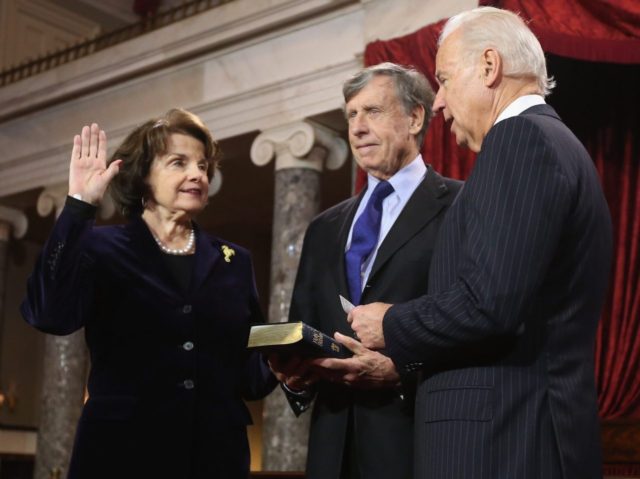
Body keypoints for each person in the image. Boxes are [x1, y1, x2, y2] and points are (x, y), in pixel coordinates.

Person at [344, 7, 613, 479]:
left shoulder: (520, 141)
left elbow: (490, 304)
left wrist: (392, 322)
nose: (441, 101)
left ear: (490, 66)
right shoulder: (553, 142)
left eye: (445, 79)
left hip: (501, 445)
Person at [21, 109, 277, 479]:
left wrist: (285, 365)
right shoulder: (99, 248)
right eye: (179, 162)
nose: (198, 174)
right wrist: (78, 206)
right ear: (142, 175)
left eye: (203, 165)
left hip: (215, 458)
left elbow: (248, 375)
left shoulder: (234, 261)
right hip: (122, 454)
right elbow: (48, 314)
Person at [270, 63, 462, 479]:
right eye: (351, 115)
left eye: (372, 111)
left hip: (414, 443)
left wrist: (399, 371)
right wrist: (296, 376)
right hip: (331, 448)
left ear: (414, 118)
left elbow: (472, 321)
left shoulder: (461, 207)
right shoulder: (323, 228)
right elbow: (305, 321)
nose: (357, 127)